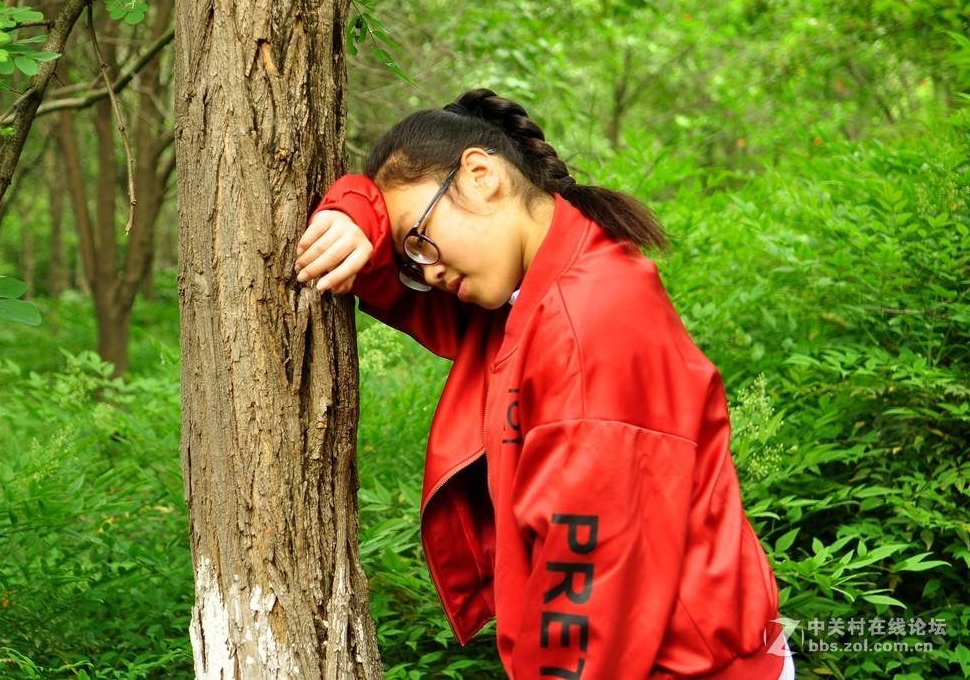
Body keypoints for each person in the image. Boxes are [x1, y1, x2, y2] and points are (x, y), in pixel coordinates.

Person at [294, 89, 794, 680]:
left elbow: (590, 583)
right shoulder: (534, 288)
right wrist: (358, 211)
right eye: (410, 253)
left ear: (480, 175)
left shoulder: (587, 327)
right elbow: (389, 276)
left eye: (420, 238)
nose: (424, 269)